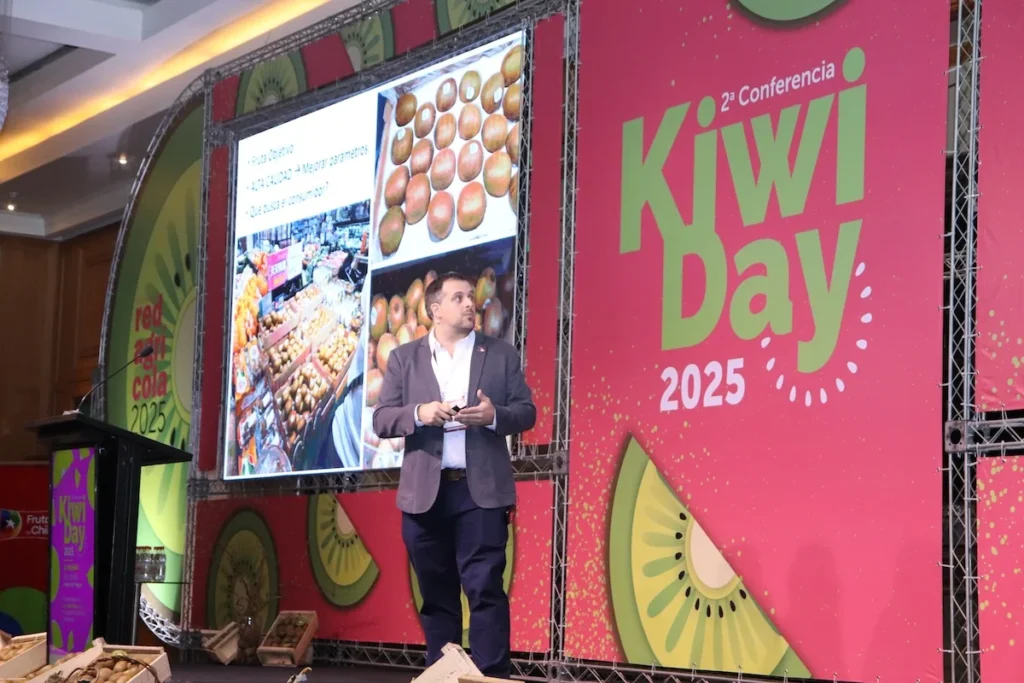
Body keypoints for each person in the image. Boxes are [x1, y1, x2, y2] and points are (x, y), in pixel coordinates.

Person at [372, 271, 536, 677]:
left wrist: (494, 416)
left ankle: (491, 676)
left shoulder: (500, 354)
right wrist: (419, 413)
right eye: (458, 297)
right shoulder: (404, 358)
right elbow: (382, 419)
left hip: (480, 493)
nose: (469, 303)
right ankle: (443, 675)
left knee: (485, 590)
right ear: (435, 309)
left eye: (469, 297)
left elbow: (526, 412)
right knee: (436, 596)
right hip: (424, 495)